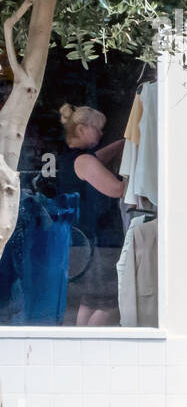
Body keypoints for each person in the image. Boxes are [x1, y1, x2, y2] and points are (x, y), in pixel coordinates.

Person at [57, 104, 126, 326]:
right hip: (101, 241)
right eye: (97, 128)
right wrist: (134, 172)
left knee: (89, 300)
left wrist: (124, 144)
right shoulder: (85, 162)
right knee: (111, 303)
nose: (101, 133)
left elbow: (98, 159)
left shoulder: (72, 159)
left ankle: (80, 345)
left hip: (84, 241)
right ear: (81, 130)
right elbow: (116, 189)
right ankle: (95, 349)